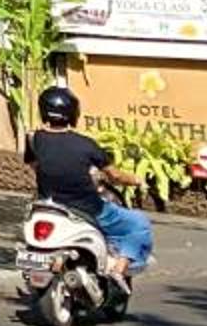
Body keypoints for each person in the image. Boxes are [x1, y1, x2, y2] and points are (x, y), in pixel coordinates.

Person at [25, 85, 154, 274]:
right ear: (73, 113)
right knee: (138, 223)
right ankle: (119, 269)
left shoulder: (33, 139)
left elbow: (35, 166)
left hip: (48, 205)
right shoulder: (85, 145)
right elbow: (115, 176)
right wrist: (136, 180)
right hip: (87, 208)